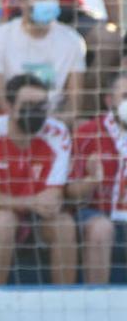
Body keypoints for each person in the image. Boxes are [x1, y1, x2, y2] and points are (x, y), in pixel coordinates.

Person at [0, 73, 76, 285]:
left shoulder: (58, 132)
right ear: (8, 106)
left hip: (37, 216)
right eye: (28, 105)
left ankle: (66, 303)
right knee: (5, 220)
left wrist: (40, 203)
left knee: (65, 223)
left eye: (42, 105)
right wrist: (32, 202)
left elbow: (54, 195)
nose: (36, 112)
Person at [0, 0, 86, 125]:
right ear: (22, 0)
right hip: (8, 125)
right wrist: (27, 123)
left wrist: (53, 124)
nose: (51, 1)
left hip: (53, 125)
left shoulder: (73, 41)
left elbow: (75, 103)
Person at [67, 70, 127, 284]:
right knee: (101, 228)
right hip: (97, 212)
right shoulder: (88, 133)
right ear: (109, 100)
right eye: (125, 96)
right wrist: (91, 180)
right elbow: (69, 195)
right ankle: (95, 305)